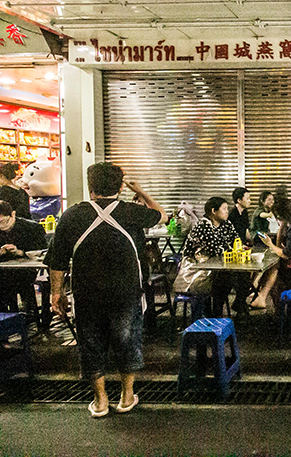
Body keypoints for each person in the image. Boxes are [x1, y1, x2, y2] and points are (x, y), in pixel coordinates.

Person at [46, 162, 167, 418]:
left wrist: (56, 294)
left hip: (86, 293)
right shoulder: (131, 212)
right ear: (121, 186)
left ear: (91, 187)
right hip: (126, 293)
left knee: (90, 344)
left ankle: (100, 401)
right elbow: (162, 215)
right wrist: (142, 192)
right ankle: (126, 396)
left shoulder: (72, 215)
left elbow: (57, 260)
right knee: (127, 341)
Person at [183, 197, 251, 316]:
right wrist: (233, 248)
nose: (227, 211)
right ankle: (215, 313)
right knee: (225, 279)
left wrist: (241, 246)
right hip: (197, 269)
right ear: (214, 211)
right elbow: (216, 250)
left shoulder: (226, 224)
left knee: (242, 276)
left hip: (217, 267)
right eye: (224, 209)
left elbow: (235, 239)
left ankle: (235, 305)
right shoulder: (203, 226)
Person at [0, 200, 47, 321]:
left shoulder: (31, 228)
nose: (1, 227)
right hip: (3, 272)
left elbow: (42, 251)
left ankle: (29, 316)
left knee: (20, 283)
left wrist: (20, 252)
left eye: (3, 222)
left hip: (26, 271)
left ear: (13, 214)